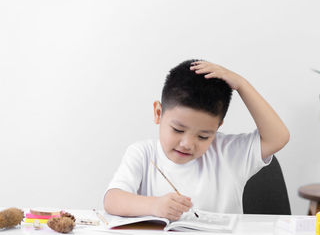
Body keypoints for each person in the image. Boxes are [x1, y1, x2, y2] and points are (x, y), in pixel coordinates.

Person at [103, 59, 290, 221]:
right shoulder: (143, 153)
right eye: (177, 129)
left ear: (218, 127)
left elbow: (278, 137)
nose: (187, 143)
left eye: (203, 136)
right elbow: (112, 199)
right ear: (158, 113)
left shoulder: (228, 153)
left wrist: (241, 85)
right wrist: (155, 206)